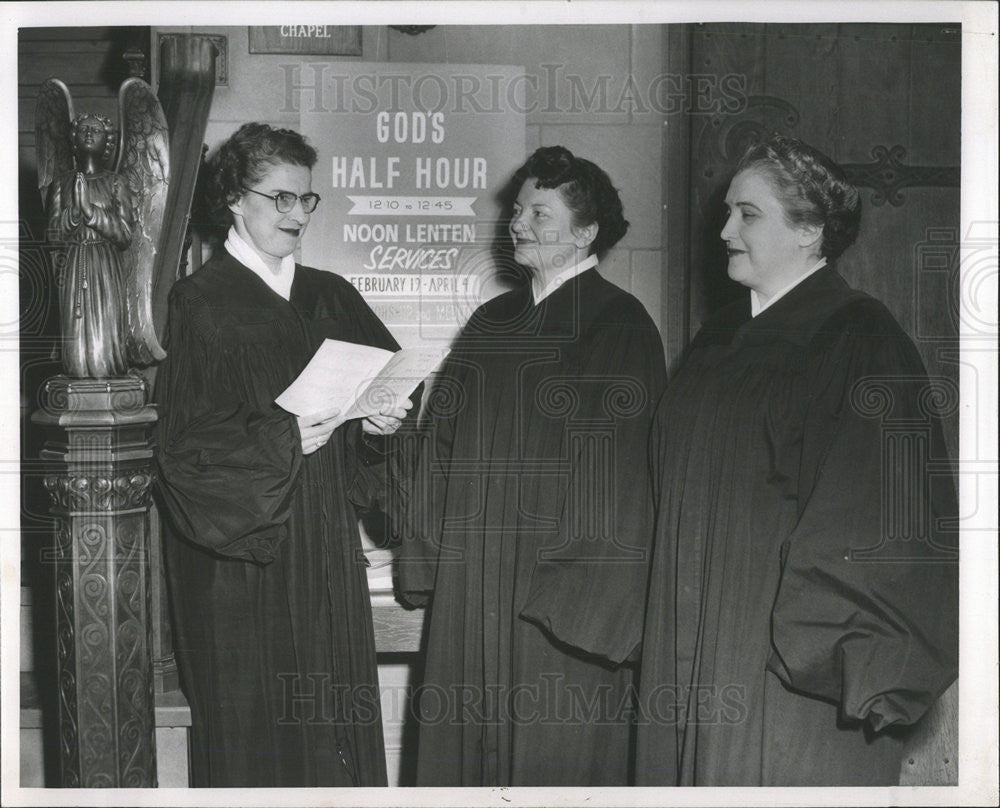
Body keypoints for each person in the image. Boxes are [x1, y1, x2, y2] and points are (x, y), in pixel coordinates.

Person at [634, 135, 958, 786]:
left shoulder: (862, 340)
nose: (723, 229)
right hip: (687, 646)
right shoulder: (716, 342)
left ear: (809, 231)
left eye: (747, 215)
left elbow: (880, 521)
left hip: (777, 673)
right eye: (728, 211)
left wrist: (831, 651)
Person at [398, 146, 667, 786]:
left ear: (586, 231)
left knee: (555, 754)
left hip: (554, 598)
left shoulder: (620, 325)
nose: (518, 224)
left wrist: (578, 599)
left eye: (540, 213)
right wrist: (428, 552)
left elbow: (626, 477)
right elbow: (440, 444)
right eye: (518, 210)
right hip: (473, 583)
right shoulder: (493, 322)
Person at [155, 123, 411, 787]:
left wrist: (378, 424)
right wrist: (281, 438)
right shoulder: (197, 304)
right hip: (245, 564)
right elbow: (183, 454)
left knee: (333, 723)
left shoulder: (330, 296)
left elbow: (364, 430)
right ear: (237, 199)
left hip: (324, 544)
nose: (298, 214)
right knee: (259, 735)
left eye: (307, 200)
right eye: (281, 199)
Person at [46, 113, 132, 376]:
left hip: (105, 265)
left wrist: (91, 211)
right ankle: (78, 375)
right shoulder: (61, 183)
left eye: (96, 129)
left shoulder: (116, 182)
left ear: (107, 141)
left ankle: (107, 372)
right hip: (73, 264)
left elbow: (126, 233)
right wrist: (74, 214)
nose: (89, 133)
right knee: (75, 339)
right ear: (74, 140)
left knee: (105, 334)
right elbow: (51, 235)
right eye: (83, 129)